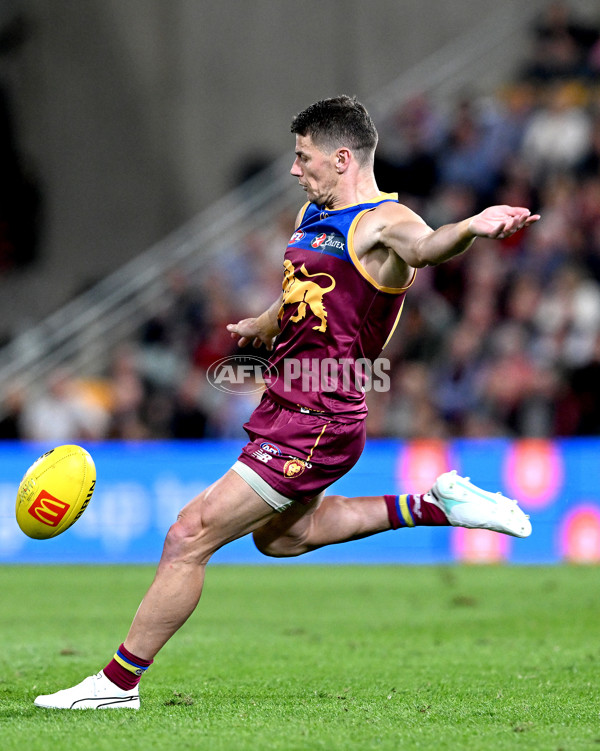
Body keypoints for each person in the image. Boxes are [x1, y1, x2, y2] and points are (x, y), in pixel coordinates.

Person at [34, 96, 538, 710]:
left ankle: (116, 686)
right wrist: (266, 323)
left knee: (188, 534)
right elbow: (309, 290)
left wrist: (474, 227)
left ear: (342, 157)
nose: (296, 170)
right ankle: (433, 505)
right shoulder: (312, 215)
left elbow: (430, 246)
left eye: (304, 158)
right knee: (282, 539)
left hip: (318, 418)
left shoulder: (384, 224)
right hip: (284, 403)